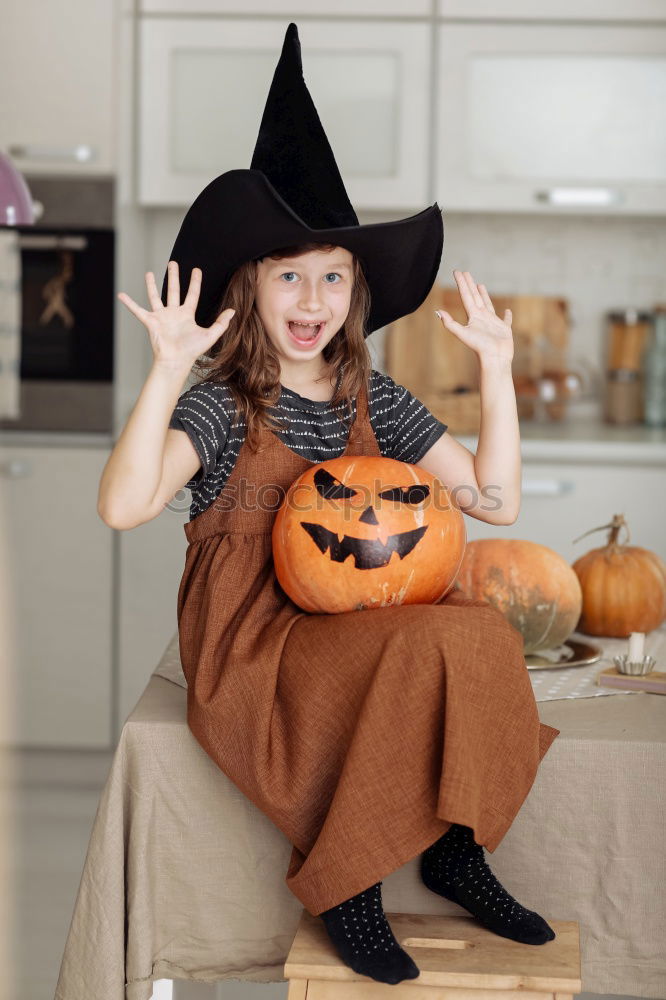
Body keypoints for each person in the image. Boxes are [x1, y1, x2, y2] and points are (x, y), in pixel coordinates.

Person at [98, 22, 560, 988]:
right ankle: (346, 880)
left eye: (333, 275)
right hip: (253, 641)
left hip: (352, 616)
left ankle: (457, 849)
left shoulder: (373, 400)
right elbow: (125, 505)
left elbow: (495, 498)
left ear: (356, 293)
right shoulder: (221, 405)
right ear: (252, 286)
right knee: (421, 644)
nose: (312, 296)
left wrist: (500, 373)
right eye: (289, 273)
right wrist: (167, 371)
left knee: (475, 634)